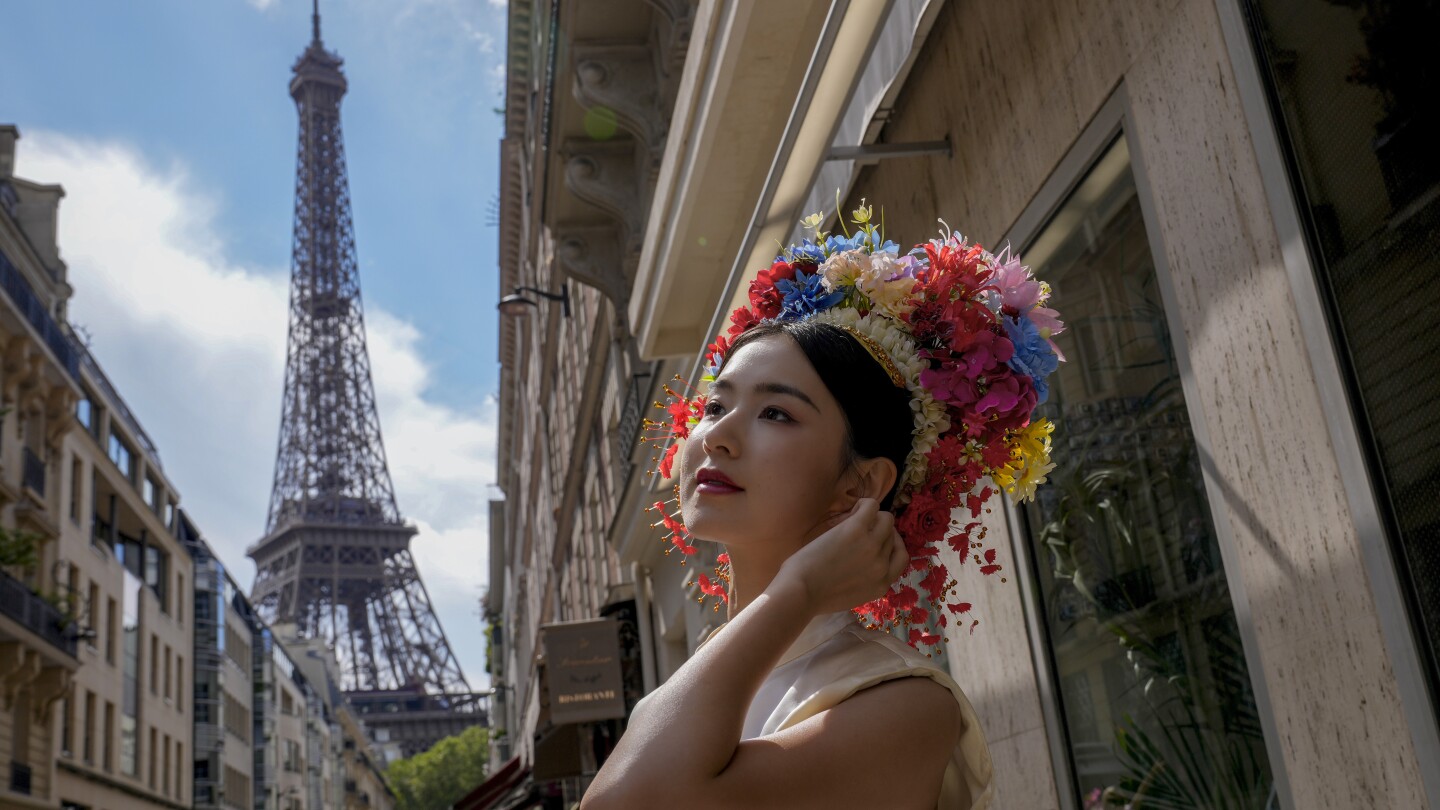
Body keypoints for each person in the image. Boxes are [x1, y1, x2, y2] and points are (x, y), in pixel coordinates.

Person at [583, 205, 1062, 810]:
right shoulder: (718, 666)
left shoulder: (903, 705)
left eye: (776, 413)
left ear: (860, 486)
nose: (719, 437)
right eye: (714, 407)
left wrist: (799, 591)